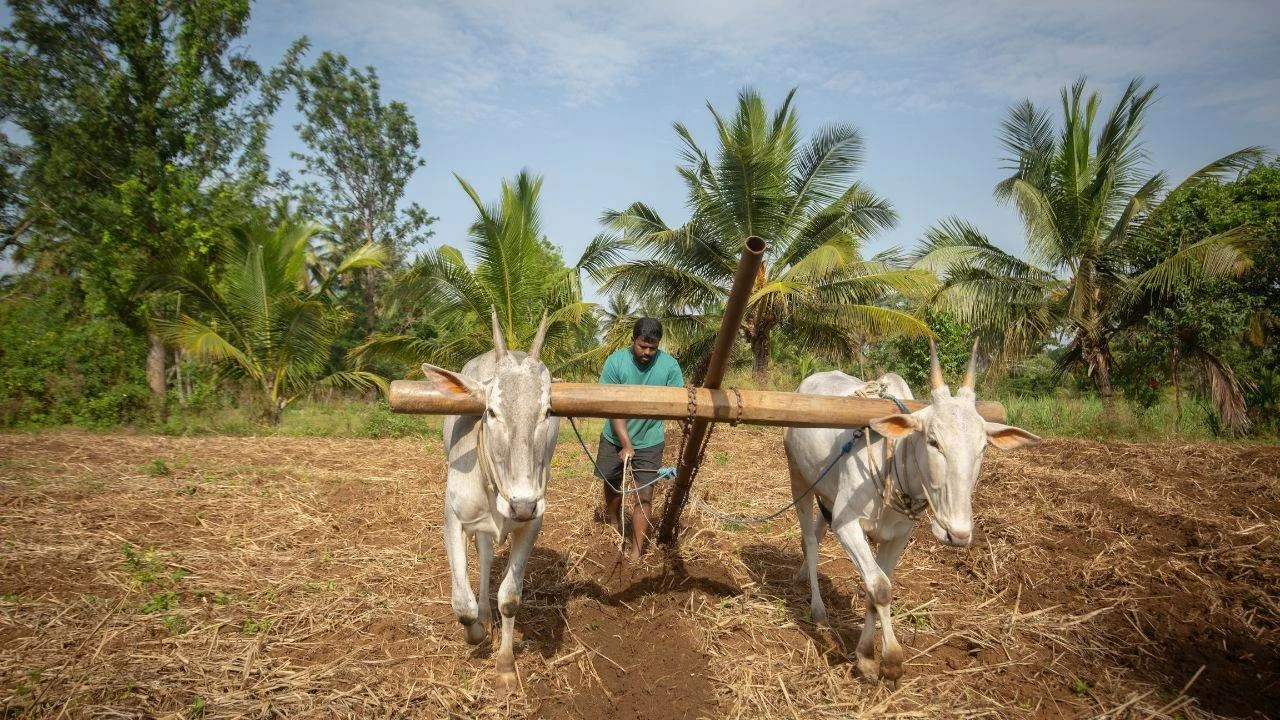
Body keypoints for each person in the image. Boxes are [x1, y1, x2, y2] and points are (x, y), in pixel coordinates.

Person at [596, 317, 684, 560]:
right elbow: (612, 406)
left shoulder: (669, 366)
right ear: (633, 340)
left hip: (650, 439)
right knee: (611, 483)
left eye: (652, 348)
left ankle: (636, 552)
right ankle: (614, 520)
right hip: (614, 436)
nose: (647, 352)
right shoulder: (615, 362)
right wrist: (626, 444)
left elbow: (679, 404)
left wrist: (688, 429)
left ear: (659, 345)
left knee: (644, 494)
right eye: (642, 346)